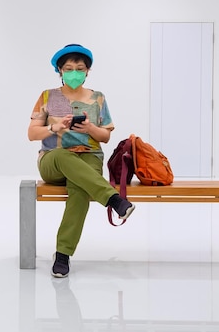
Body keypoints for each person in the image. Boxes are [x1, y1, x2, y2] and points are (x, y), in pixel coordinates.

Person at [27, 44, 135, 278]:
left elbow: (105, 137)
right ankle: (114, 200)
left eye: (80, 68)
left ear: (87, 71)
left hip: (89, 158)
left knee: (79, 189)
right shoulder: (50, 96)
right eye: (68, 68)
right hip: (53, 159)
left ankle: (62, 255)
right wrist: (55, 127)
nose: (74, 72)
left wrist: (90, 128)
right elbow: (32, 134)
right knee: (65, 157)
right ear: (59, 70)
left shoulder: (97, 98)